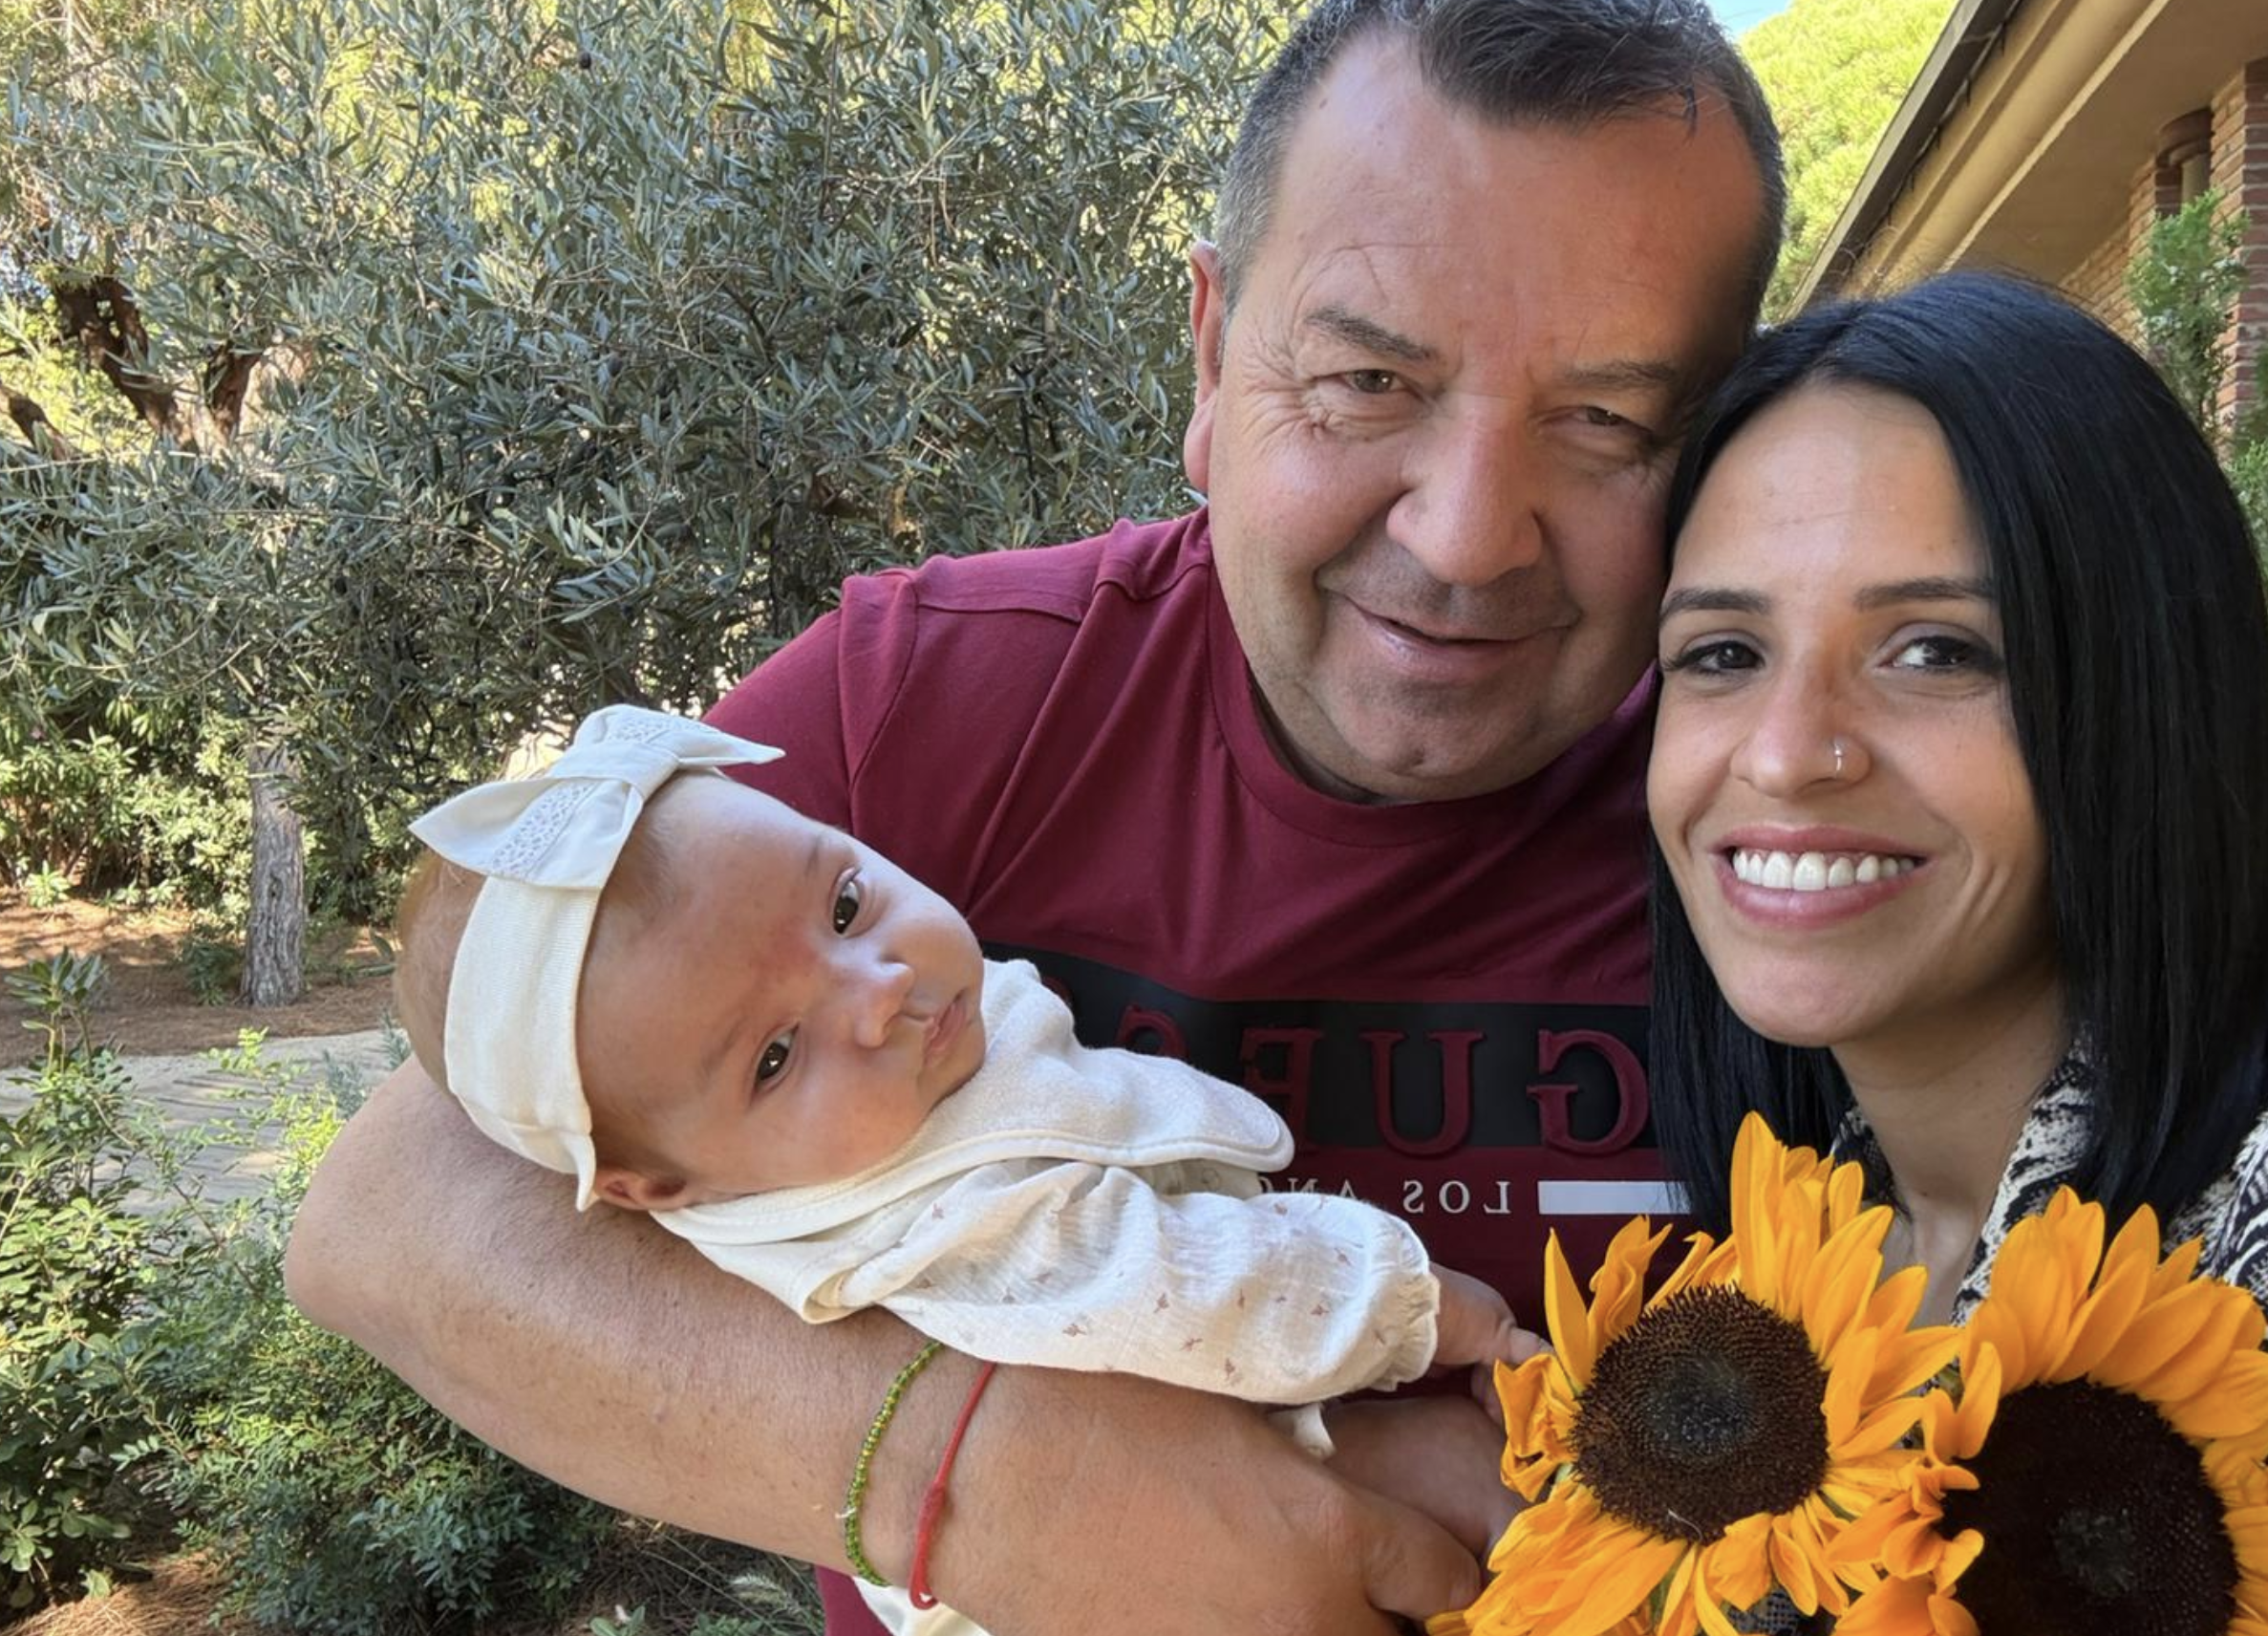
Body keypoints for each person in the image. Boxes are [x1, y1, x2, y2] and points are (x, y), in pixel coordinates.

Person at [282, 3, 1787, 1632]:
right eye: (1366, 379)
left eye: (1610, 423)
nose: (1472, 533)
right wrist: (994, 1485)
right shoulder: (929, 701)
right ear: (1210, 356)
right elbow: (389, 1220)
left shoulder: (1799, 821)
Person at [1645, 270, 2268, 1628]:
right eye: (1720, 651)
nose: (1782, 753)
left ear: (2145, 695)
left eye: (1936, 651)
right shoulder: (1751, 1298)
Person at [395, 704, 1536, 1636]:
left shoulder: (859, 1101)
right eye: (776, 1056)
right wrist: (1426, 1311)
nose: (879, 983)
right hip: (1142, 1544)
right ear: (659, 1186)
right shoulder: (934, 1216)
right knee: (1481, 1495)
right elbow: (1180, 1289)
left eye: (843, 900)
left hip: (1203, 1444)